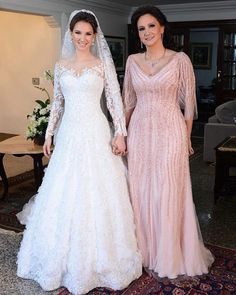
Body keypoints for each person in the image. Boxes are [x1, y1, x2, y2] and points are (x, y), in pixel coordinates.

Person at [17, 9, 142, 294]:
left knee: (97, 191)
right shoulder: (61, 65)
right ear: (70, 35)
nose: (83, 38)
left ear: (94, 36)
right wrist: (49, 134)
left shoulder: (101, 66)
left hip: (97, 132)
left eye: (88, 33)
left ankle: (102, 261)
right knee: (64, 190)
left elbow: (113, 100)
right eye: (78, 33)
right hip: (69, 134)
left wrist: (120, 133)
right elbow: (57, 104)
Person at [123, 5, 214, 279]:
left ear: (162, 28)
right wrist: (121, 134)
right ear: (138, 34)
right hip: (139, 132)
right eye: (141, 28)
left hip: (170, 131)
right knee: (139, 188)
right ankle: (144, 250)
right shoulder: (131, 62)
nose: (147, 32)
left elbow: (189, 106)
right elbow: (128, 101)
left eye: (152, 26)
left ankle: (170, 252)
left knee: (168, 188)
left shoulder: (180, 60)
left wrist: (186, 138)